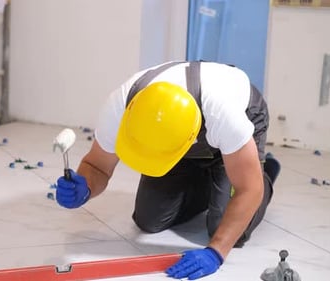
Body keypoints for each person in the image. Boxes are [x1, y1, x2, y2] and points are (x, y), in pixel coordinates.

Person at [55, 61, 280, 280]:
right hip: (181, 140)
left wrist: (216, 252)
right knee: (150, 220)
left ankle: (264, 170)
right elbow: (97, 166)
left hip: (238, 119)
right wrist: (85, 187)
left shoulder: (224, 114)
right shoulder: (120, 106)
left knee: (227, 228)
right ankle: (210, 179)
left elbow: (248, 189)